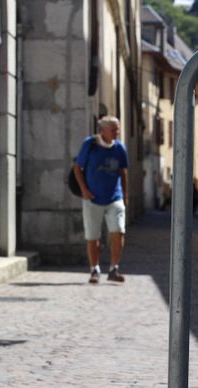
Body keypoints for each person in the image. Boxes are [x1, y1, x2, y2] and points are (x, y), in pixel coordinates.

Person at [73, 116, 129, 284]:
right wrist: (84, 190)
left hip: (115, 198)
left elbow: (123, 171)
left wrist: (125, 195)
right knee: (93, 236)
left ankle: (114, 268)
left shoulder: (120, 148)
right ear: (103, 130)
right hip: (93, 198)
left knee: (118, 232)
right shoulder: (90, 144)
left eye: (118, 128)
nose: (117, 132)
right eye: (114, 129)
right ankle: (94, 269)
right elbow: (77, 167)